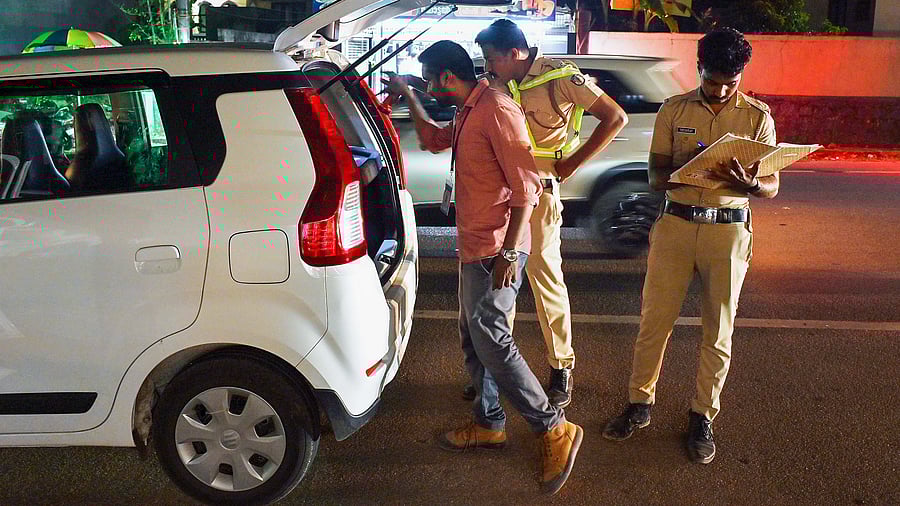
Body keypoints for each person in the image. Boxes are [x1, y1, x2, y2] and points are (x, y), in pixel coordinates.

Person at [384, 40, 583, 495]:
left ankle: (554, 427)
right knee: (473, 338)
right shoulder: (468, 111)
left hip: (497, 249)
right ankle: (490, 423)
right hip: (475, 245)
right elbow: (435, 140)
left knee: (493, 340)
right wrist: (409, 96)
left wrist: (510, 254)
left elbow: (527, 189)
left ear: (447, 78)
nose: (429, 86)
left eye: (429, 79)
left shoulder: (496, 108)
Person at [601, 27, 779, 464]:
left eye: (729, 83)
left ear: (741, 76)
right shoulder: (673, 110)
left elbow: (773, 185)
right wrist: (690, 167)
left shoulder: (757, 117)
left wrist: (752, 182)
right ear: (699, 69)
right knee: (654, 320)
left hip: (728, 230)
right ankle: (639, 403)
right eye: (712, 80)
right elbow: (654, 176)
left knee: (718, 330)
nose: (719, 90)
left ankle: (703, 415)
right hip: (677, 224)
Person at [461, 19, 627, 408]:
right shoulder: (497, 85)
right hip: (501, 197)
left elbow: (614, 117)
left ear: (513, 53)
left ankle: (561, 367)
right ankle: (497, 372)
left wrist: (573, 163)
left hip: (540, 195)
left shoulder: (559, 78)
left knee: (545, 280)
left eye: (491, 59)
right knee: (499, 291)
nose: (487, 68)